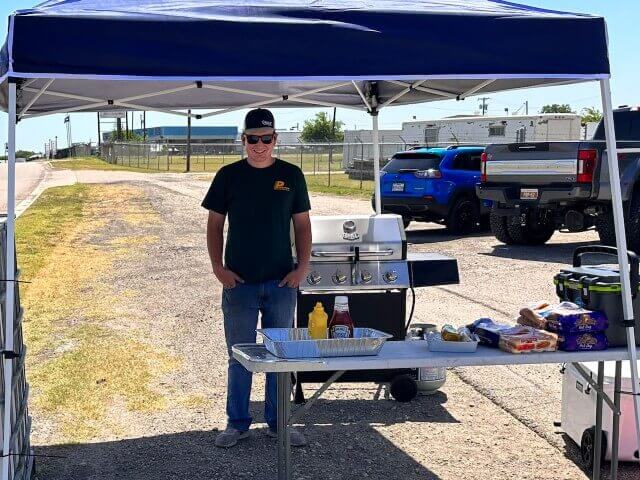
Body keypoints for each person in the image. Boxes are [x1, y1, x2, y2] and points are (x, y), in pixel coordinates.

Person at [202, 108, 312, 448]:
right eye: (253, 139)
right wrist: (218, 268)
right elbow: (215, 225)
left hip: (282, 283)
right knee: (240, 355)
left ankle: (279, 424)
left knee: (279, 355)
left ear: (275, 140)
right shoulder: (228, 176)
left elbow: (303, 225)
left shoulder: (291, 175)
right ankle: (237, 423)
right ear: (244, 140)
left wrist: (302, 267)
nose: (259, 146)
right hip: (240, 284)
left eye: (266, 139)